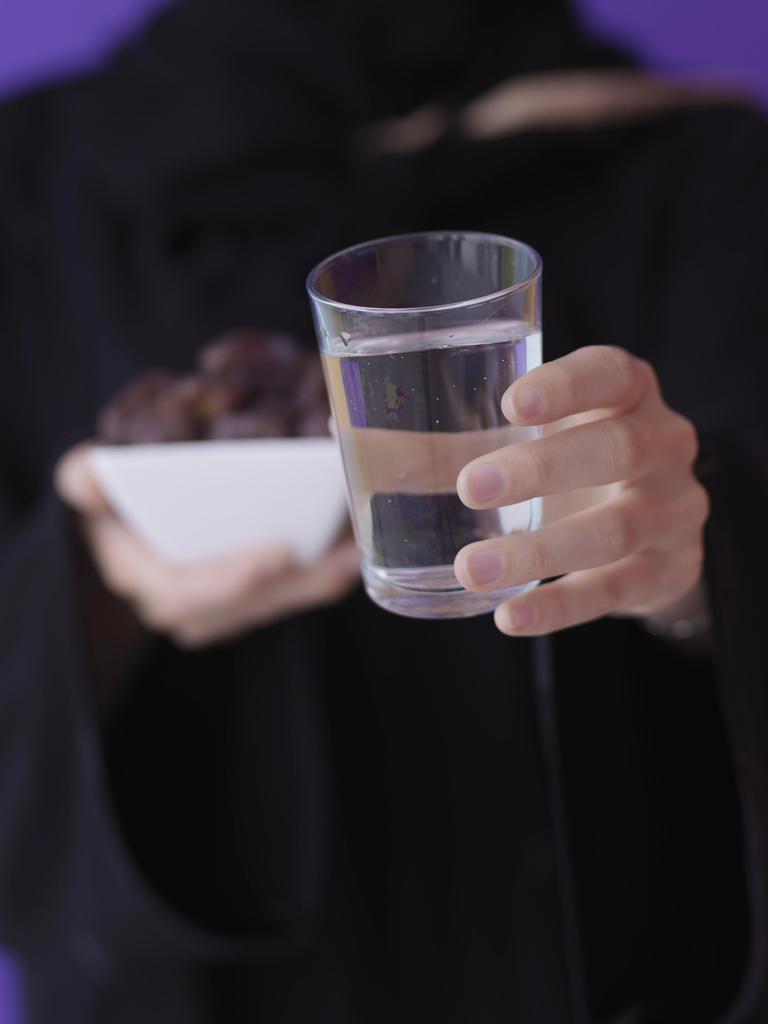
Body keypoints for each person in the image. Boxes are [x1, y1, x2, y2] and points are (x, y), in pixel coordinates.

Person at [0, 0, 766, 1021]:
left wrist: (703, 569)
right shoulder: (36, 179)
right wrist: (99, 588)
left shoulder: (697, 163)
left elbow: (727, 536)